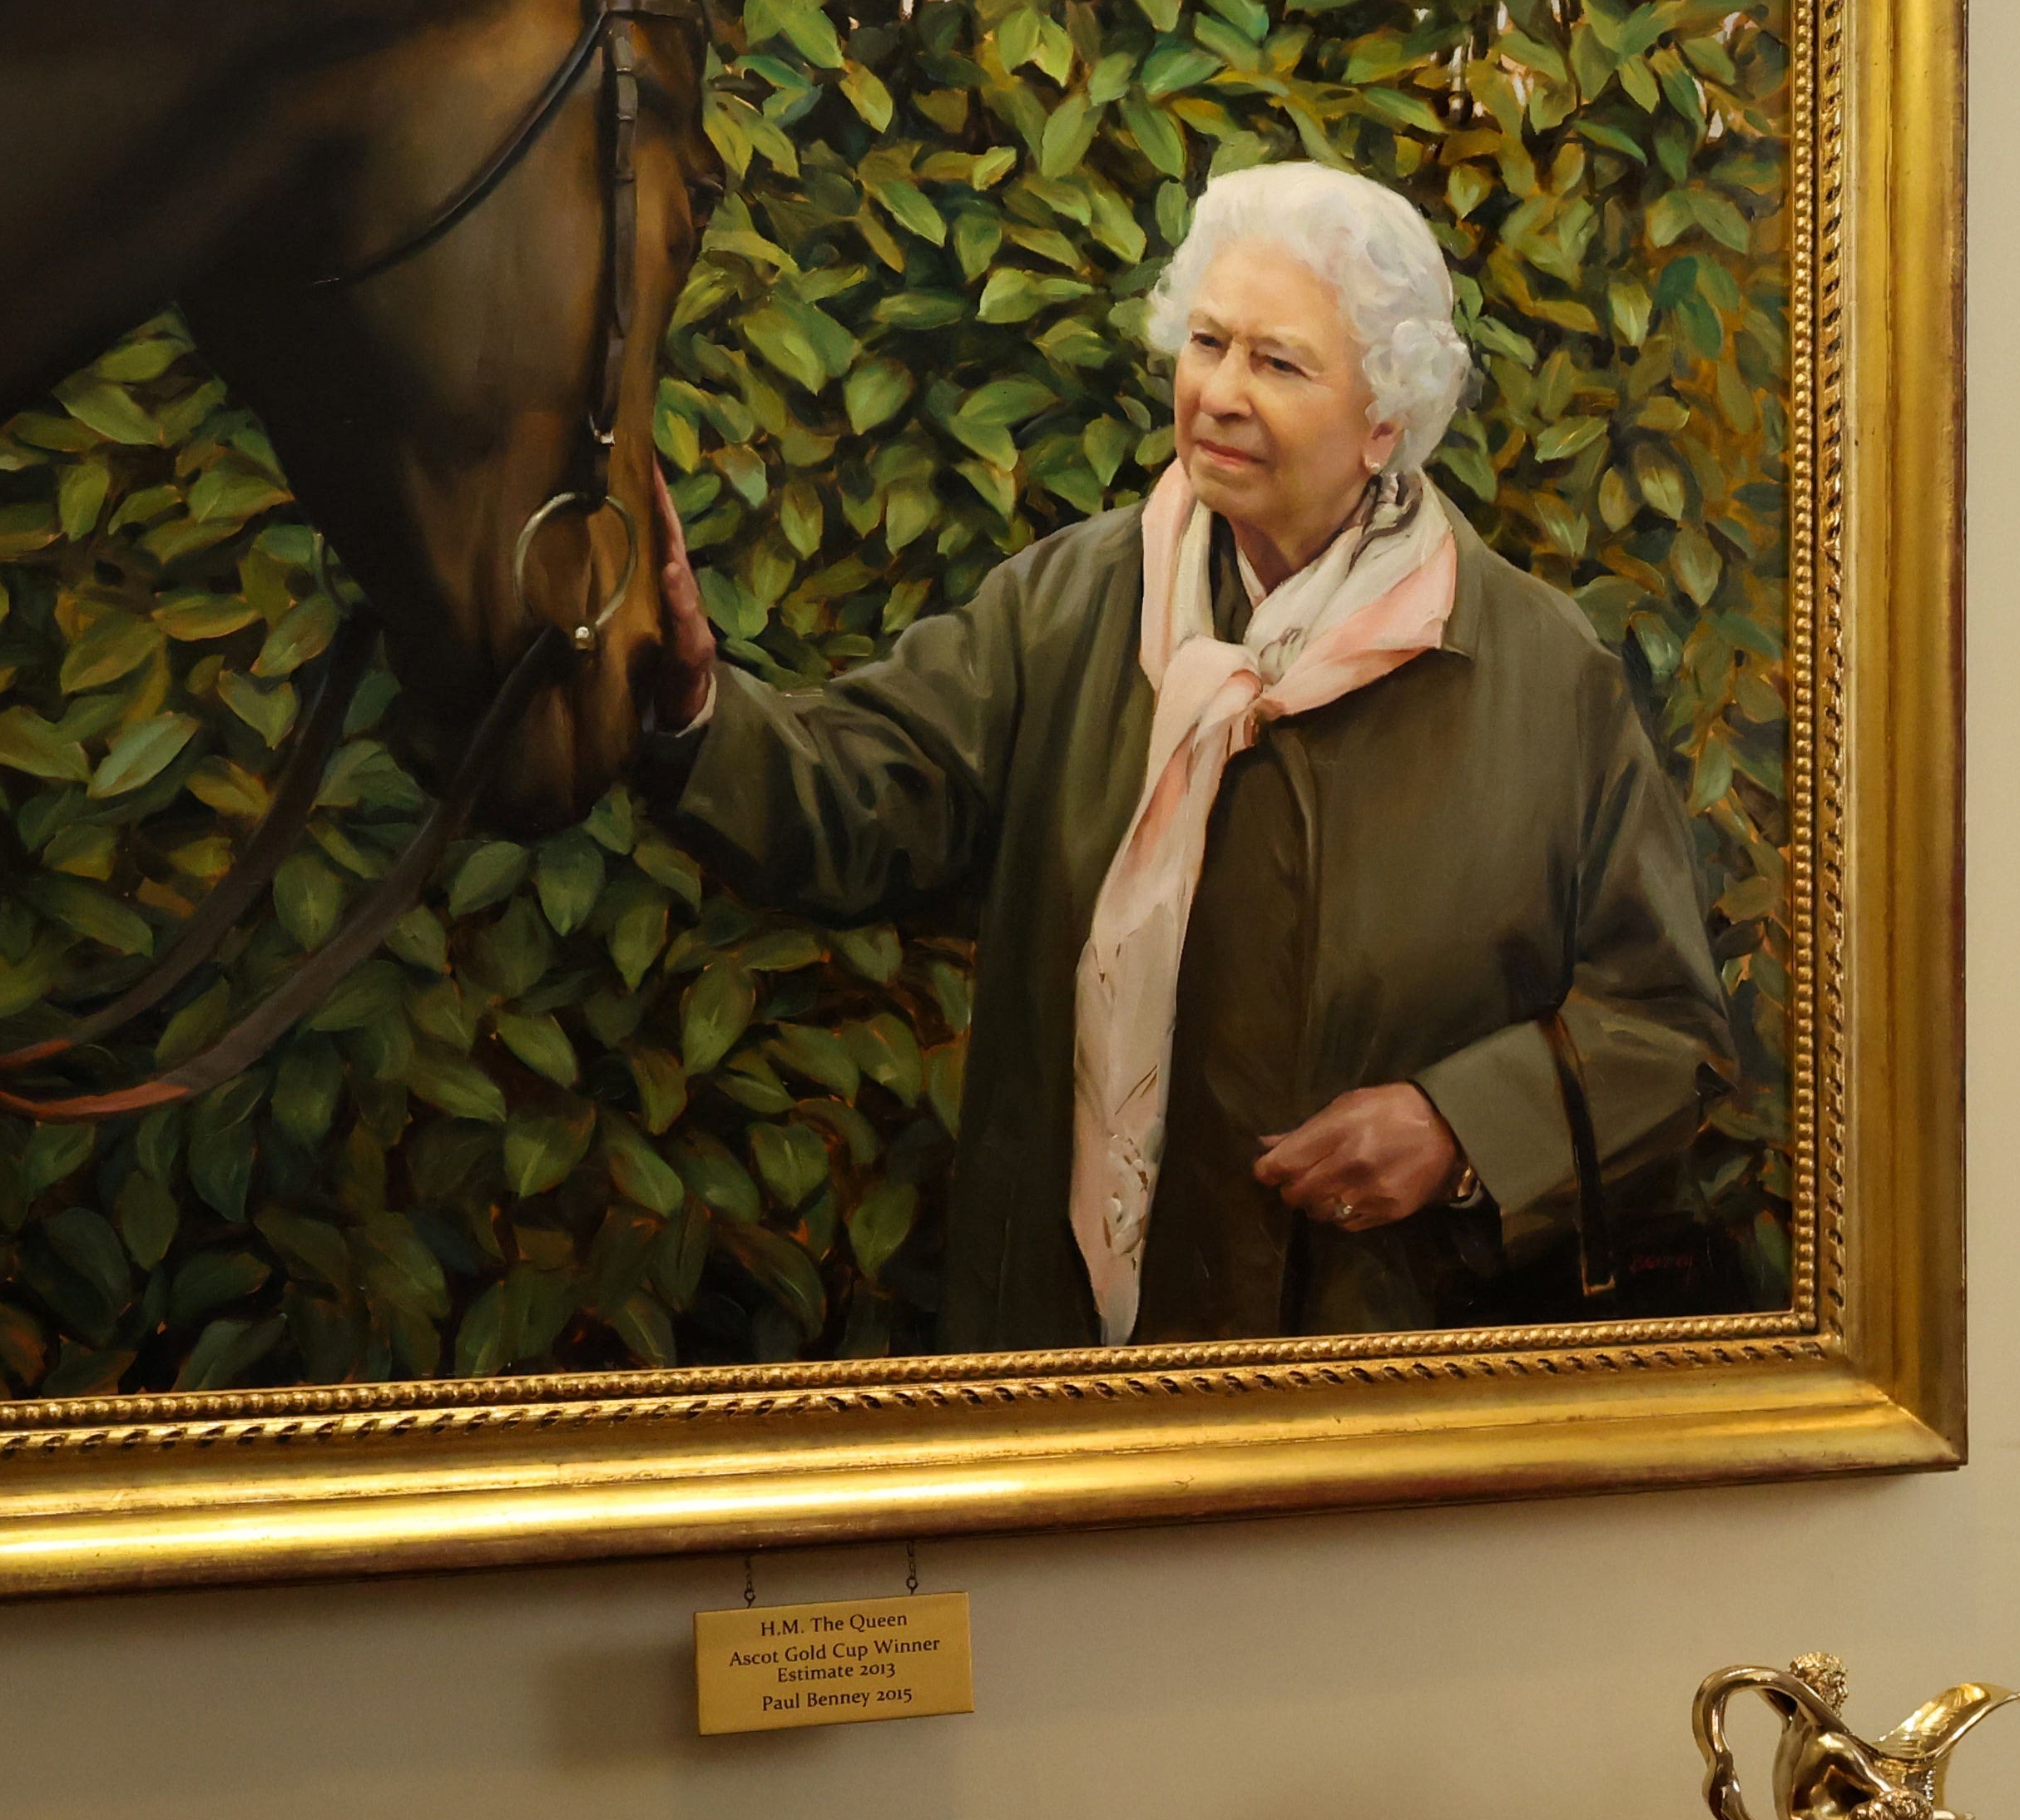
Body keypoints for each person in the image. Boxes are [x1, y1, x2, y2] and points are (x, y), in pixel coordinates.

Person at [634, 156, 1735, 1347]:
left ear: (1386, 423)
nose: (1217, 392)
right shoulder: (1069, 603)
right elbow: (856, 800)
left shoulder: (1539, 675)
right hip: (1061, 1359)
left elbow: (1665, 1036)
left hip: (1378, 1388)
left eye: (1277, 363)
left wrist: (1461, 1129)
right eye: (1206, 342)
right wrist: (695, 694)